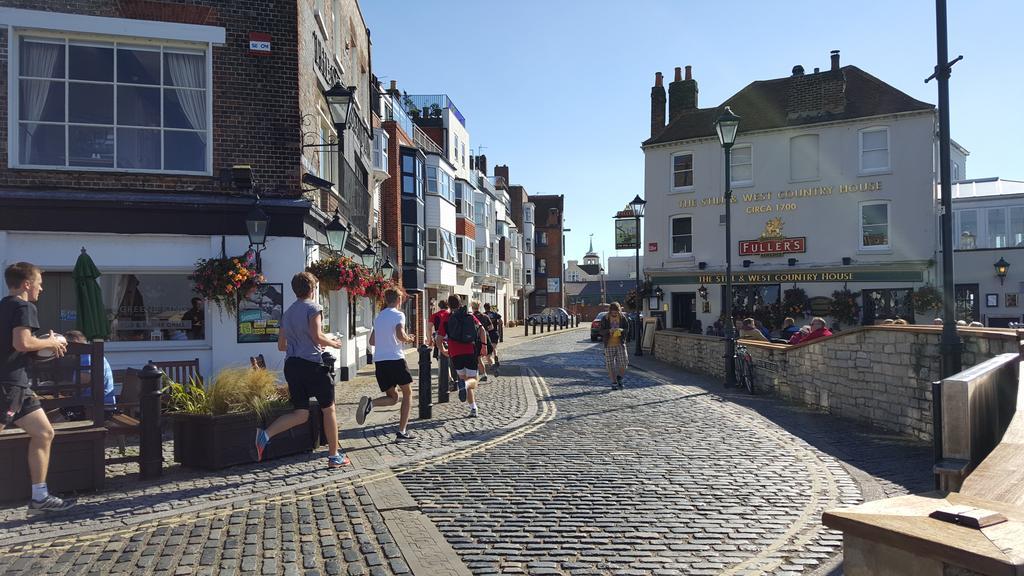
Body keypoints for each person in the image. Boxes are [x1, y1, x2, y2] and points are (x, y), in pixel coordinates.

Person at [1, 262, 73, 514]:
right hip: (8, 385)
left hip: (18, 384)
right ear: (27, 284)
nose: (41, 289)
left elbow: (15, 346)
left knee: (44, 433)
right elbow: (21, 343)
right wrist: (51, 341)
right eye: (40, 284)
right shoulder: (24, 306)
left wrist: (42, 344)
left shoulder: (3, 305)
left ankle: (39, 497)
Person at [256, 272, 346, 468]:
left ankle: (265, 434)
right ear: (312, 289)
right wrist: (333, 343)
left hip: (292, 365)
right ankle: (333, 456)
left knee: (301, 413)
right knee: (328, 408)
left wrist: (305, 343)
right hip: (312, 365)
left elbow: (281, 346)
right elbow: (317, 335)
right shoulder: (314, 307)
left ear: (295, 290)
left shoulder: (287, 313)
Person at [358, 288, 416, 440]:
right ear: (398, 299)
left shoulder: (379, 317)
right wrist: (409, 338)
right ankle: (402, 431)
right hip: (396, 359)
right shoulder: (399, 314)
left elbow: (372, 341)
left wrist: (386, 338)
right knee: (408, 394)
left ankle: (371, 404)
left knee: (393, 397)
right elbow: (399, 334)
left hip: (380, 362)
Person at [437, 294, 487, 417]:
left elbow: (439, 339)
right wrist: (484, 346)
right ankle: (463, 386)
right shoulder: (469, 315)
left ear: (448, 305)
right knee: (473, 381)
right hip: (469, 351)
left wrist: (443, 350)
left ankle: (473, 408)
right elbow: (482, 330)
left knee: (465, 378)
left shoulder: (446, 318)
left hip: (455, 354)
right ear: (460, 304)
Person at [65, 330, 116, 408]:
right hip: (94, 404)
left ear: (74, 342)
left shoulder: (86, 358)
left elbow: (80, 387)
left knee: (54, 416)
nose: (64, 349)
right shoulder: (89, 355)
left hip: (96, 408)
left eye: (66, 345)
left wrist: (55, 387)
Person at [599, 302, 631, 389]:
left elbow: (627, 329)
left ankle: (619, 377)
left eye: (616, 312)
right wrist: (609, 331)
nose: (614, 313)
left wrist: (621, 330)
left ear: (619, 311)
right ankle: (614, 382)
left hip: (620, 344)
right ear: (610, 311)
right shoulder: (605, 318)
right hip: (608, 344)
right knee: (610, 365)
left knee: (624, 362)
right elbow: (601, 331)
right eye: (613, 312)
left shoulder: (622, 318)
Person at [470, 301, 494, 382]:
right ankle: (493, 365)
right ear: (479, 306)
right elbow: (491, 327)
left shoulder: (471, 317)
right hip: (486, 337)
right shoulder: (485, 316)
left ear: (472, 307)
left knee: (479, 358)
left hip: (477, 340)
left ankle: (484, 374)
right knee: (489, 356)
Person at [484, 303, 502, 375]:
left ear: (485, 308)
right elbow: (501, 322)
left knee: (489, 350)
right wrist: (496, 324)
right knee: (494, 347)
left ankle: (491, 361)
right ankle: (496, 356)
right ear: (490, 307)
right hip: (495, 332)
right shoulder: (495, 314)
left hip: (488, 334)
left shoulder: (484, 315)